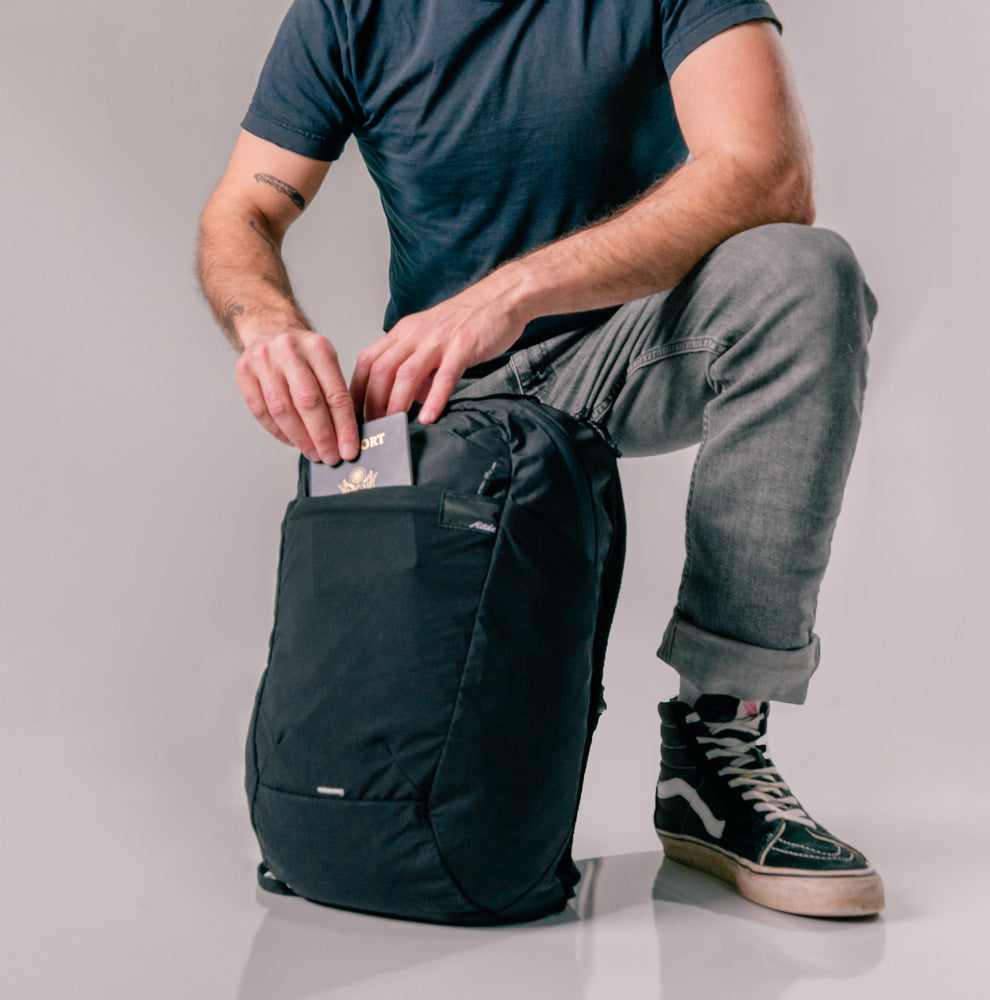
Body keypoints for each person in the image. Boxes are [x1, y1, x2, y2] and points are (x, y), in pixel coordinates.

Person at [197, 0, 883, 918]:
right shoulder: (346, 12)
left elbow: (766, 172)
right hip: (450, 389)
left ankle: (715, 754)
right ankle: (333, 809)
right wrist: (268, 327)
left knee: (805, 276)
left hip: (633, 339)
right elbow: (241, 210)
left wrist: (515, 291)